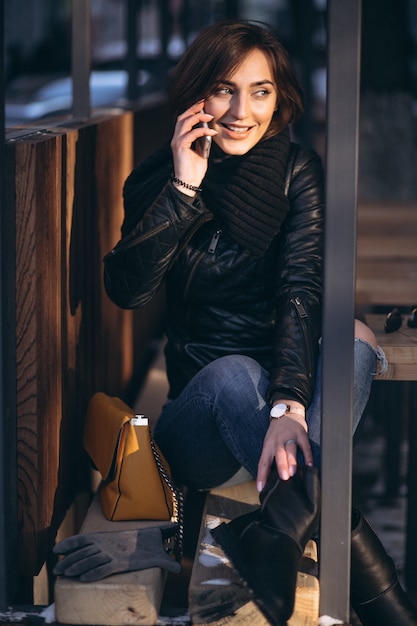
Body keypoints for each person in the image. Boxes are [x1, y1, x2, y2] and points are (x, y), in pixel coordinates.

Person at [104, 20, 417, 626]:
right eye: (224, 89)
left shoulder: (298, 171)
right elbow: (127, 290)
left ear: (281, 99)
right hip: (201, 421)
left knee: (351, 342)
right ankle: (381, 603)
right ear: (197, 96)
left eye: (261, 90)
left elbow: (301, 290)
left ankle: (278, 528)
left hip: (285, 407)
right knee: (233, 370)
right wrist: (181, 190)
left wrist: (286, 405)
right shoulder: (156, 179)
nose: (241, 111)